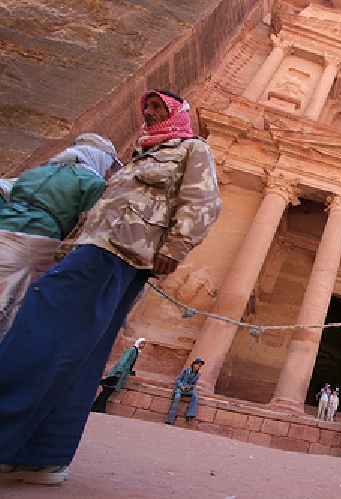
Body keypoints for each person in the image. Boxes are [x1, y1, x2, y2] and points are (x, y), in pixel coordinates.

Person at [0, 89, 221, 485]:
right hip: (101, 248)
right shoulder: (142, 154)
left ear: (177, 113)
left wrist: (175, 247)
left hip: (119, 251)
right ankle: (43, 455)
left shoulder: (191, 148)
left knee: (43, 320)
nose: (149, 112)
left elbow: (203, 201)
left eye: (158, 107)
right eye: (147, 107)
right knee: (84, 350)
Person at [0, 133, 121, 341]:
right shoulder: (92, 183)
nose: (110, 174)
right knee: (13, 304)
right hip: (38, 244)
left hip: (4, 230)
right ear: (100, 160)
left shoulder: (36, 173)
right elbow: (89, 228)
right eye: (110, 168)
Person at [91, 338, 147, 413]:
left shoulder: (135, 351)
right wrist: (118, 371)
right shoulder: (132, 350)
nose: (143, 345)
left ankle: (95, 407)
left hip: (122, 373)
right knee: (107, 390)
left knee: (107, 391)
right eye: (142, 343)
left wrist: (130, 371)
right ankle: (99, 408)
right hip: (118, 373)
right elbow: (123, 361)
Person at [165, 358, 205, 425]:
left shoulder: (197, 374)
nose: (198, 367)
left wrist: (190, 387)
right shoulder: (186, 371)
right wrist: (181, 386)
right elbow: (178, 379)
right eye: (198, 364)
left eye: (200, 366)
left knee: (195, 396)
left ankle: (190, 415)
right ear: (194, 364)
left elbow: (194, 385)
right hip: (180, 388)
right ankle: (170, 419)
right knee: (177, 397)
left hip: (187, 389)